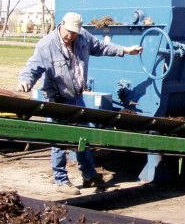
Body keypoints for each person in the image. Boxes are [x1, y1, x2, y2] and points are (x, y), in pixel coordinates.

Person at [16, 11, 142, 195]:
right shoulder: (47, 45)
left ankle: (89, 175)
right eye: (68, 32)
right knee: (59, 138)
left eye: (75, 32)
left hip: (76, 96)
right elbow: (33, 66)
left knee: (83, 136)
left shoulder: (83, 38)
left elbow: (101, 47)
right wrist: (25, 80)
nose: (71, 36)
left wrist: (125, 50)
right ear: (62, 25)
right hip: (57, 98)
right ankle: (61, 180)